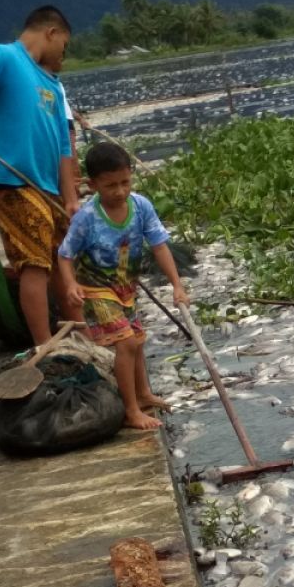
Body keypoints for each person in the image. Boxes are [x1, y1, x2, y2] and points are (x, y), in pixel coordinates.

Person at [0, 5, 82, 344]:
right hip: (12, 180)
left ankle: (79, 333)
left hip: (47, 186)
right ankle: (46, 345)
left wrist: (70, 198)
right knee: (35, 263)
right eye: (63, 46)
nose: (61, 54)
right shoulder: (4, 56)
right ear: (51, 33)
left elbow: (64, 149)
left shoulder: (51, 82)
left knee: (63, 258)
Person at [58, 142, 189, 430]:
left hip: (125, 287)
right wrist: (70, 285)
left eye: (125, 182)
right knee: (126, 343)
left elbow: (159, 246)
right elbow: (65, 254)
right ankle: (130, 410)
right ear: (92, 185)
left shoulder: (141, 206)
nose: (119, 191)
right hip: (95, 289)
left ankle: (142, 395)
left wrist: (177, 285)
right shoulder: (87, 217)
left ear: (131, 175)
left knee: (138, 341)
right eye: (110, 186)